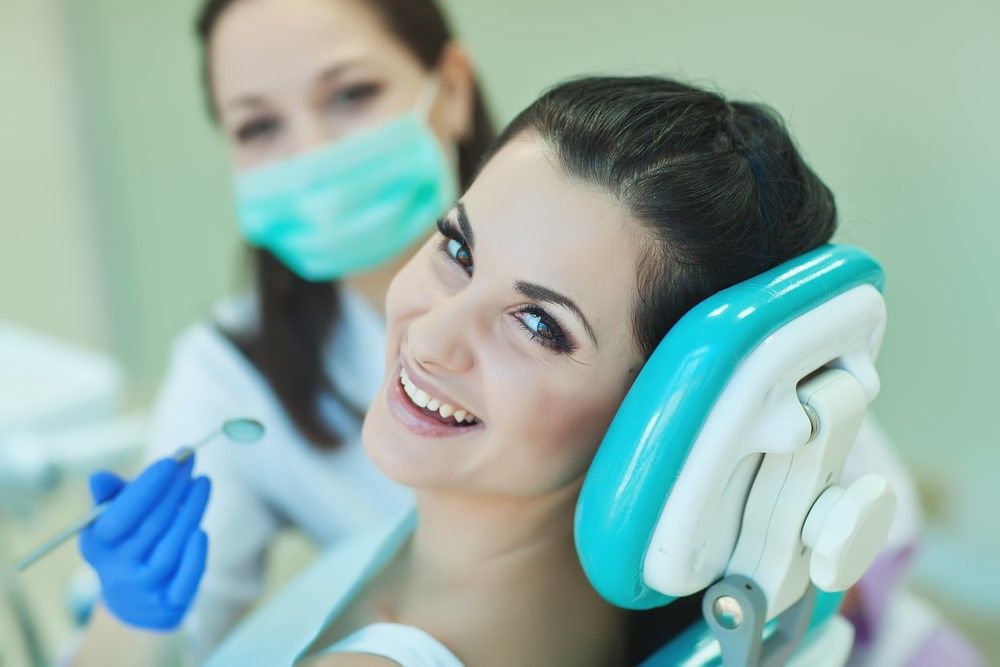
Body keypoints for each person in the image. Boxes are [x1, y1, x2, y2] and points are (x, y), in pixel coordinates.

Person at [77, 75, 936, 666]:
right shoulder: (620, 600)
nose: (432, 334)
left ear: (663, 414)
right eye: (457, 247)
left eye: (538, 324)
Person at [75, 0, 495, 660]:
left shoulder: (601, 272)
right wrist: (131, 614)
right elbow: (153, 644)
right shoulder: (235, 370)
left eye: (351, 94)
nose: (311, 153)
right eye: (258, 126)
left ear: (453, 89)